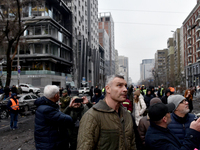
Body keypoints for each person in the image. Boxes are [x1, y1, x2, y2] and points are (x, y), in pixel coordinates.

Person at [77, 74, 137, 150]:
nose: (125, 89)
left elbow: (132, 144)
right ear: (108, 89)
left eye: (125, 86)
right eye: (119, 85)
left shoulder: (127, 115)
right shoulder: (92, 116)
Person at [34, 85, 73, 150]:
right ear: (56, 95)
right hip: (49, 145)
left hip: (45, 142)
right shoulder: (48, 110)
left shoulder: (43, 105)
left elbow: (58, 116)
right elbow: (68, 119)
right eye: (58, 93)